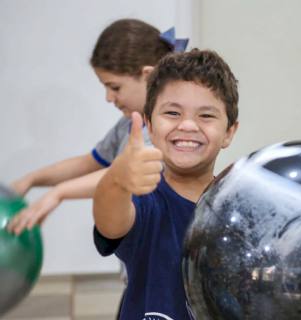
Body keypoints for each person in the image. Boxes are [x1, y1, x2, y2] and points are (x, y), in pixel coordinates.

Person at [93, 49, 239, 319]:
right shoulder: (146, 201)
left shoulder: (240, 207)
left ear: (229, 131)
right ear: (149, 124)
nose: (187, 125)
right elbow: (109, 222)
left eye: (206, 116)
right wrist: (117, 180)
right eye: (172, 112)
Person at [7, 19, 186, 235]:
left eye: (114, 87)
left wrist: (59, 193)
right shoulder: (127, 124)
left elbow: (122, 173)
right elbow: (89, 163)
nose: (108, 97)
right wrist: (32, 179)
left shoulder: (168, 130)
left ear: (148, 76)